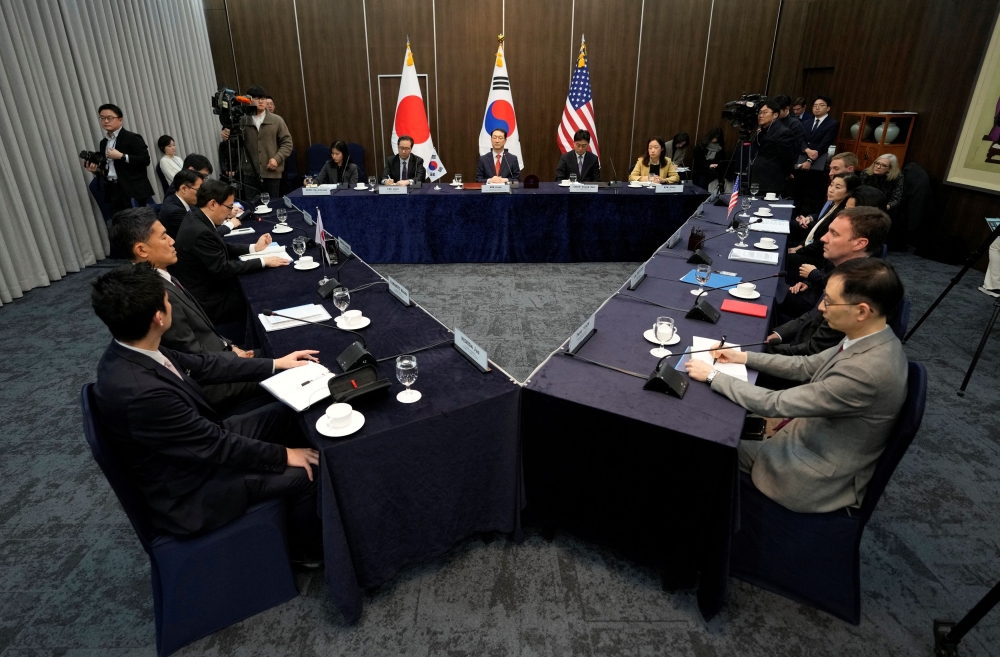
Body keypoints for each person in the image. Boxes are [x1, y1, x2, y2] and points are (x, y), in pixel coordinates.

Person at [90, 263, 322, 564]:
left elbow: (205, 366)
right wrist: (284, 455)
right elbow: (216, 446)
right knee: (307, 472)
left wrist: (276, 364)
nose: (171, 302)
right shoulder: (142, 393)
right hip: (192, 490)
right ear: (159, 317)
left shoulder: (134, 347)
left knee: (287, 414)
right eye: (167, 299)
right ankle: (306, 554)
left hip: (194, 448)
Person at [684, 257, 908, 513]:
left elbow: (775, 404)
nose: (821, 307)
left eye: (829, 301)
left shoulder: (864, 372)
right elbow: (805, 365)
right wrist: (742, 356)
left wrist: (713, 376)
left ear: (861, 311)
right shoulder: (872, 337)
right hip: (807, 432)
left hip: (807, 471)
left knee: (703, 444)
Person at [109, 208, 260, 409]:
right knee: (288, 366)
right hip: (213, 382)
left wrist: (231, 348)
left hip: (219, 358)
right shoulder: (155, 295)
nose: (172, 241)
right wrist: (234, 358)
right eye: (164, 237)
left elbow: (201, 333)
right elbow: (191, 355)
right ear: (142, 250)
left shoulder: (160, 275)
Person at [768, 208, 892, 357]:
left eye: (834, 234)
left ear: (859, 244)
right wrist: (779, 334)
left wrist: (762, 350)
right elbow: (812, 315)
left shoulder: (856, 290)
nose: (823, 238)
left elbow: (812, 353)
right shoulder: (844, 268)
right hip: (800, 341)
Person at [170, 179, 288, 324]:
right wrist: (263, 261)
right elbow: (223, 269)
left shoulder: (196, 216)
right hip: (212, 301)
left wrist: (254, 248)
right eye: (229, 207)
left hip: (211, 287)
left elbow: (221, 247)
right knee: (265, 294)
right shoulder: (199, 230)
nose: (230, 213)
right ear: (213, 204)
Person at [219, 85, 293, 200]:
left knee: (272, 204)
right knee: (252, 205)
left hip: (271, 172)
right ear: (249, 100)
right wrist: (226, 135)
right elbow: (235, 145)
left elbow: (287, 143)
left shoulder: (276, 120)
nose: (261, 101)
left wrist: (277, 159)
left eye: (263, 98)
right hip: (249, 173)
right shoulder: (242, 120)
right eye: (257, 98)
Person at [82, 103, 155, 212]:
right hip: (113, 189)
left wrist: (121, 156)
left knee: (139, 221)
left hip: (132, 189)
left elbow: (145, 160)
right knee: (121, 221)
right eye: (102, 118)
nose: (106, 121)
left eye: (109, 118)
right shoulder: (103, 142)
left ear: (120, 120)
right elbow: (107, 168)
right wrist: (96, 171)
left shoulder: (132, 137)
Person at [787, 172, 861, 273]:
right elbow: (816, 231)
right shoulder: (833, 204)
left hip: (821, 257)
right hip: (811, 246)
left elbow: (822, 241)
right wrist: (801, 246)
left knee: (784, 258)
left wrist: (799, 250)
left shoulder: (841, 213)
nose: (831, 189)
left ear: (849, 192)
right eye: (831, 185)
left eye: (837, 187)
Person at [160, 170, 240, 240]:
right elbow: (204, 234)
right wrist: (230, 224)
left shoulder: (184, 201)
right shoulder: (175, 211)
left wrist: (224, 212)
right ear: (184, 189)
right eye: (198, 190)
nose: (201, 193)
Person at [748, 100, 797, 195]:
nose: (760, 115)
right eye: (760, 112)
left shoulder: (783, 132)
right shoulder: (761, 131)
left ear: (775, 115)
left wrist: (787, 173)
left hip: (771, 182)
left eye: (765, 112)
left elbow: (787, 158)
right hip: (756, 179)